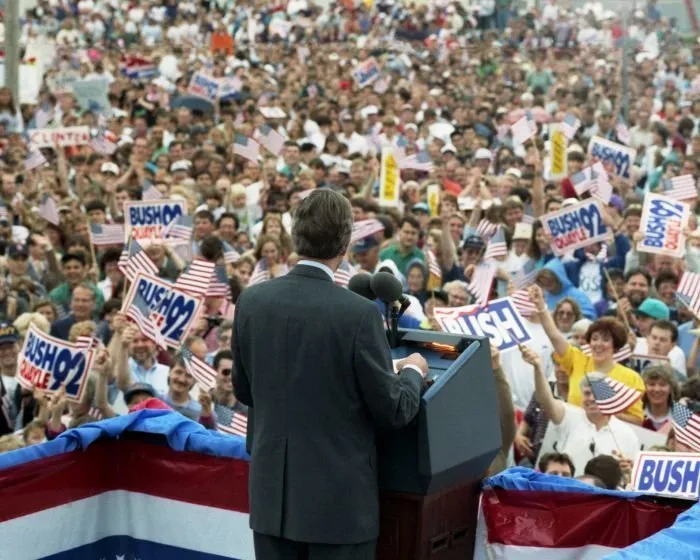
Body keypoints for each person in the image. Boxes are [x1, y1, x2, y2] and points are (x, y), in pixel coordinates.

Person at [233, 189, 428, 560]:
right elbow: (394, 410)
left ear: (295, 236)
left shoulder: (252, 301)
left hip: (272, 503)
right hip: (338, 512)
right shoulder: (358, 314)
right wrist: (414, 372)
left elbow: (246, 389)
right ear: (345, 243)